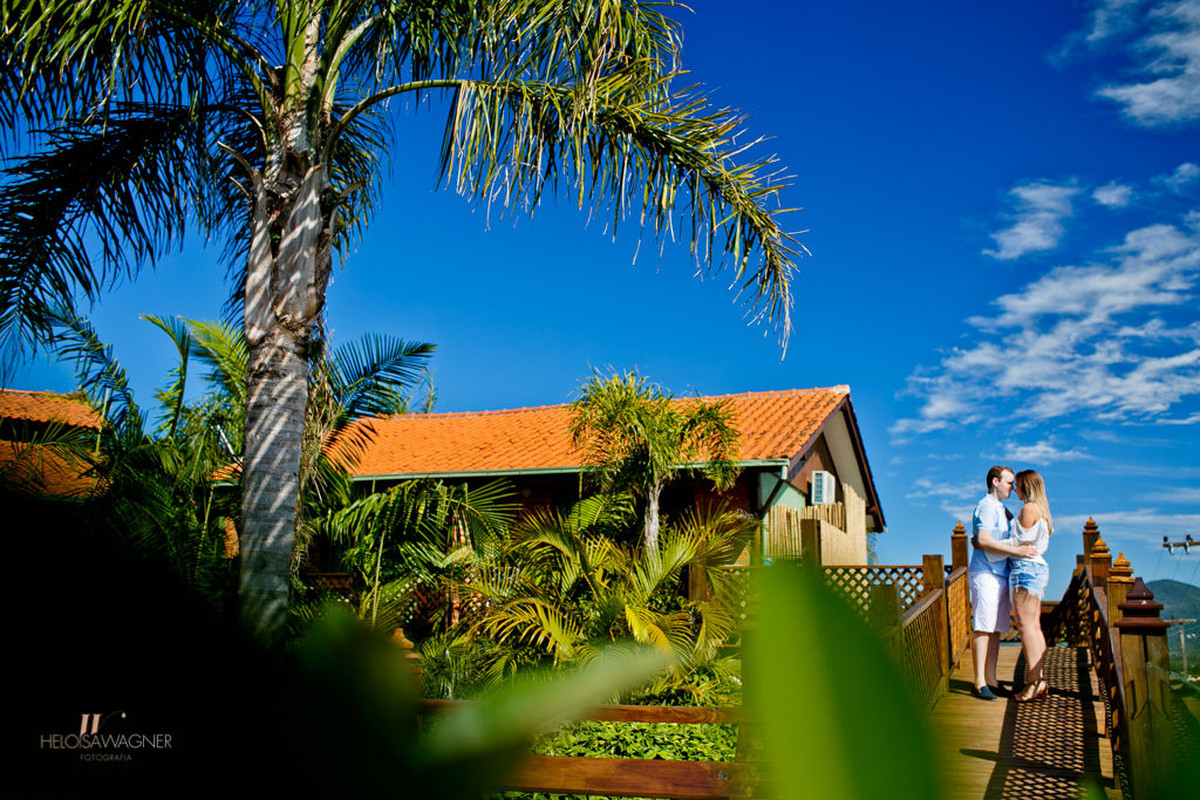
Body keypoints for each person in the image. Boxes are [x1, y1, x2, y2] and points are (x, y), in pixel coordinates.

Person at [968, 465, 1036, 700]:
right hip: (985, 573)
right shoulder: (986, 506)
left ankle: (991, 679)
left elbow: (982, 540)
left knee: (995, 629)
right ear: (995, 482)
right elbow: (983, 539)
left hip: (999, 573)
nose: (1013, 487)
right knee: (983, 627)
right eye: (1009, 482)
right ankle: (979, 682)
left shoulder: (1000, 508)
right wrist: (1017, 550)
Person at [1004, 469, 1054, 702]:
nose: (1015, 489)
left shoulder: (1028, 508)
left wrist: (986, 541)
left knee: (1026, 627)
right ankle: (1038, 679)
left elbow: (1017, 542)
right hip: (1036, 569)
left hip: (1025, 569)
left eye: (1018, 485)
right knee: (1033, 626)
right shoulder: (1040, 510)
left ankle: (1034, 682)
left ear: (1027, 486)